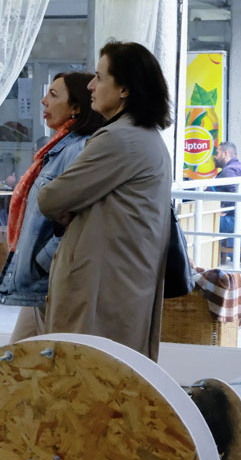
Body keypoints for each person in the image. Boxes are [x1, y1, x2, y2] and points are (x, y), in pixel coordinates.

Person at [34, 41, 173, 360]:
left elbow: (51, 199)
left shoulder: (119, 139)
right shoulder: (145, 136)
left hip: (102, 291)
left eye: (99, 77)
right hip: (122, 285)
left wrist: (68, 206)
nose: (90, 86)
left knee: (84, 377)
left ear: (124, 89)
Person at [0, 72, 105, 340]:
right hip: (42, 280)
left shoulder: (78, 149)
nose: (44, 100)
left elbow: (77, 219)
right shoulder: (58, 147)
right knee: (20, 354)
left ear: (76, 107)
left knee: (37, 356)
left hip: (53, 278)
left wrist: (42, 261)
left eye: (54, 95)